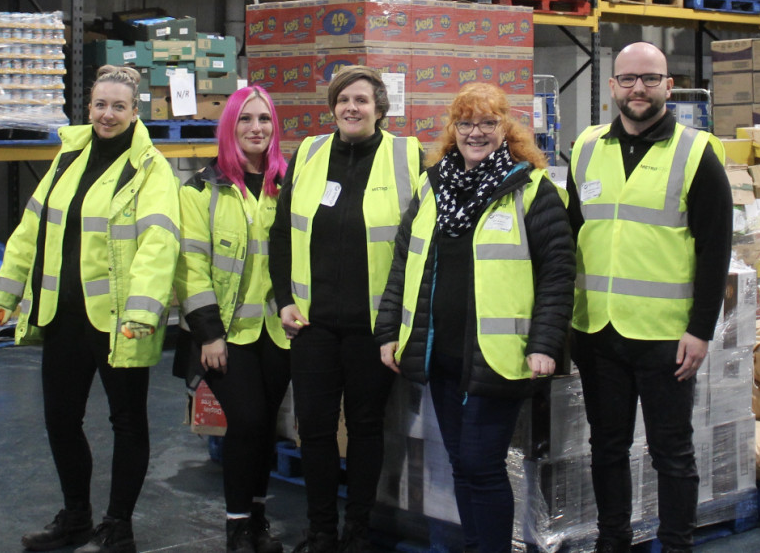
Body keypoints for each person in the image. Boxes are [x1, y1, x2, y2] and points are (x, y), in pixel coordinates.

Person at [0, 65, 180, 553]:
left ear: (135, 112)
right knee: (60, 419)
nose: (107, 115)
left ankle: (118, 527)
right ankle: (75, 518)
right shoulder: (69, 156)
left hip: (120, 320)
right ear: (88, 107)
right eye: (100, 105)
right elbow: (33, 226)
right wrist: (5, 293)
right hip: (62, 314)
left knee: (128, 420)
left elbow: (159, 243)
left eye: (119, 106)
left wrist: (143, 311)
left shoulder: (150, 169)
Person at [375, 82, 575, 553]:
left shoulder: (530, 188)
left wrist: (545, 344)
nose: (476, 133)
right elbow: (403, 263)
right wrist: (389, 332)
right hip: (439, 350)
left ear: (507, 128)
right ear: (453, 129)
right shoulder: (434, 186)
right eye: (466, 123)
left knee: (482, 465)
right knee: (463, 464)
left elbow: (558, 272)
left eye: (488, 122)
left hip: (497, 354)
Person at [565, 42, 732, 553]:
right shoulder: (587, 147)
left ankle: (675, 544)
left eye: (651, 79)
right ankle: (612, 541)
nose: (639, 88)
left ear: (669, 86)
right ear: (612, 87)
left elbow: (715, 248)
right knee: (607, 447)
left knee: (671, 452)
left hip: (665, 337)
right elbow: (573, 233)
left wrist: (701, 329)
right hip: (597, 331)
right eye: (629, 79)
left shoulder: (697, 152)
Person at [268, 65, 422, 553]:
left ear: (380, 107)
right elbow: (280, 234)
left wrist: (401, 320)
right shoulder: (310, 153)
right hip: (311, 325)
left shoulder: (407, 155)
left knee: (366, 428)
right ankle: (320, 531)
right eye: (343, 100)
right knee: (312, 428)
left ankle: (357, 529)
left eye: (361, 100)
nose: (351, 108)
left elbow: (422, 242)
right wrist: (285, 299)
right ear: (333, 107)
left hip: (373, 327)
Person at [173, 85, 291, 553]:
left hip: (278, 331)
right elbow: (190, 266)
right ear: (230, 127)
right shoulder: (203, 187)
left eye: (264, 119)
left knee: (265, 426)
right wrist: (208, 334)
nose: (256, 128)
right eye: (245, 119)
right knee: (245, 420)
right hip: (224, 334)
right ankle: (237, 526)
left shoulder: (288, 184)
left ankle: (256, 517)